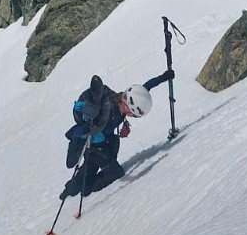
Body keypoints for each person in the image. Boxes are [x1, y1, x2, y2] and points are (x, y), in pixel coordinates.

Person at [60, 69, 175, 199]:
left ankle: (69, 190)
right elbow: (90, 128)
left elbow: (144, 89)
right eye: (135, 114)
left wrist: (162, 78)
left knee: (91, 167)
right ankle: (89, 190)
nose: (134, 116)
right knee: (115, 172)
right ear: (127, 107)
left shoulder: (122, 101)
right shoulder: (108, 110)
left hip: (100, 144)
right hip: (92, 145)